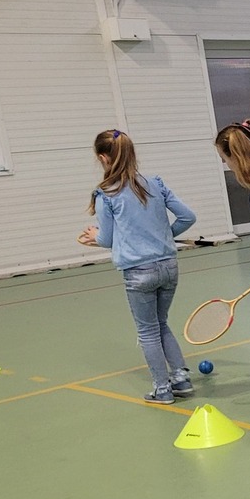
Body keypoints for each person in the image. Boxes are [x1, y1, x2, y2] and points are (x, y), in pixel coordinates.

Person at [79, 129, 198, 403]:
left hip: (139, 273)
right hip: (169, 267)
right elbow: (188, 217)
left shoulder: (106, 194)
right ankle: (181, 378)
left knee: (148, 331)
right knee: (161, 323)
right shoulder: (155, 183)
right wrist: (164, 236)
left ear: (103, 158)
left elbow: (106, 239)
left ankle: (162, 389)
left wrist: (94, 237)